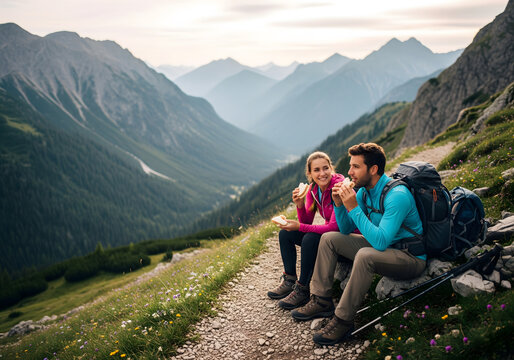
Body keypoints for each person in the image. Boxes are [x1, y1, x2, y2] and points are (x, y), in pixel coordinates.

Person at [291, 143, 427, 346]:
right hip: (385, 248)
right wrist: (339, 203)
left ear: (372, 170)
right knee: (329, 239)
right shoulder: (364, 191)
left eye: (355, 166)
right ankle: (321, 300)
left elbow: (380, 242)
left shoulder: (397, 196)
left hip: (409, 256)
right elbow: (344, 230)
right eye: (350, 166)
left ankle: (343, 321)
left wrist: (353, 206)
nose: (349, 172)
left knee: (365, 255)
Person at [267, 151, 347, 310]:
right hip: (330, 236)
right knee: (286, 233)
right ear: (309, 173)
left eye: (326, 168)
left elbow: (334, 227)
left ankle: (303, 288)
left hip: (344, 238)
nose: (322, 173)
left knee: (310, 238)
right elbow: (305, 222)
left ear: (331, 168)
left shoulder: (339, 187)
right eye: (316, 170)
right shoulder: (313, 189)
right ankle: (289, 280)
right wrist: (299, 205)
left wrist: (299, 226)